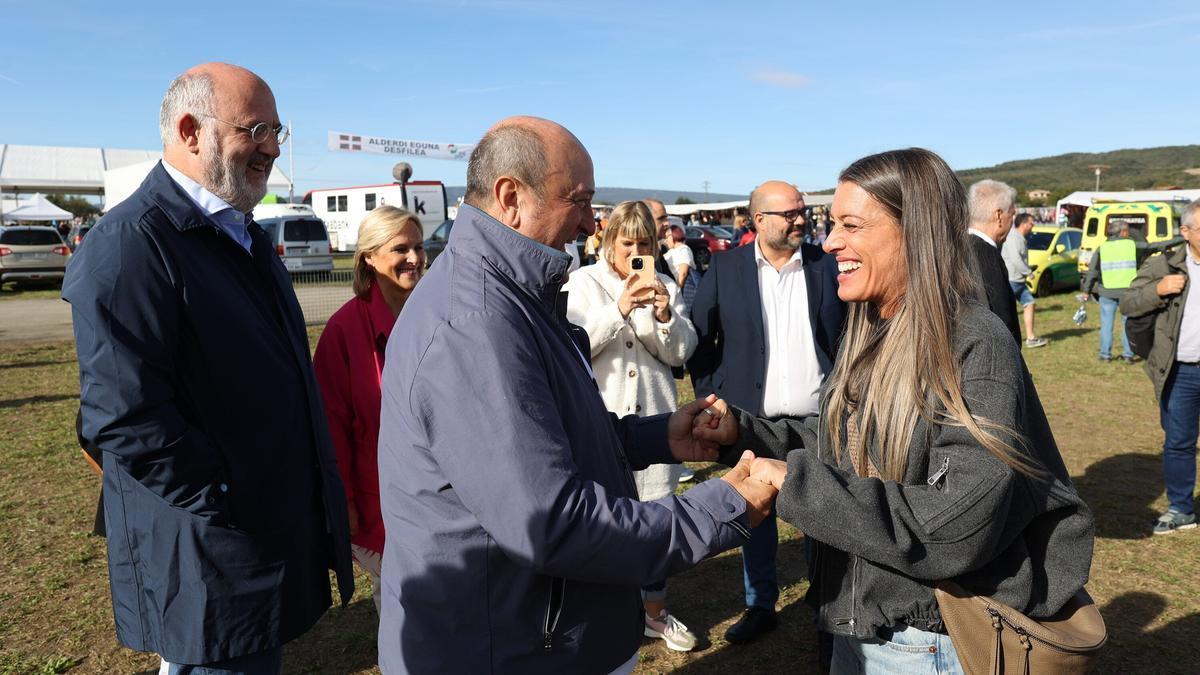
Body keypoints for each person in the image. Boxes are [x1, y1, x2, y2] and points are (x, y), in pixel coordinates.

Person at [375, 116, 777, 674]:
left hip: (543, 636)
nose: (593, 221)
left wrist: (653, 435)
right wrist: (723, 506)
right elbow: (552, 520)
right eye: (581, 200)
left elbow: (551, 435)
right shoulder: (478, 322)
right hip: (509, 649)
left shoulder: (513, 295)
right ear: (511, 196)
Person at [695, 148, 1094, 672]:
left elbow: (956, 524)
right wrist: (740, 434)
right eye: (831, 224)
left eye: (851, 225)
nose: (830, 241)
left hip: (925, 639)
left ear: (917, 230)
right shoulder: (875, 329)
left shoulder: (973, 344)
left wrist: (792, 482)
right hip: (862, 622)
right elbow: (850, 441)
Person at [62, 63, 353, 674]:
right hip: (212, 554)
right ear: (190, 130)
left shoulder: (238, 232)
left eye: (279, 131)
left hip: (253, 540)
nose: (273, 148)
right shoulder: (132, 246)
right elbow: (123, 418)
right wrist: (229, 495)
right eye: (257, 129)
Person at [687, 180, 846, 646]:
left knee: (826, 512)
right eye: (790, 214)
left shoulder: (826, 266)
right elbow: (700, 340)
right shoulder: (725, 267)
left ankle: (829, 607)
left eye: (803, 212)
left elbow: (851, 336)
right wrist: (711, 396)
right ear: (759, 221)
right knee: (753, 517)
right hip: (750, 422)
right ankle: (760, 605)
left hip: (821, 421)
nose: (802, 220)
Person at [564, 200, 700, 652]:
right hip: (603, 419)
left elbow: (680, 353)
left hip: (656, 417)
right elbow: (576, 346)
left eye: (645, 244)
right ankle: (607, 612)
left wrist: (663, 316)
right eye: (628, 244)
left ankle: (655, 613)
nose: (636, 252)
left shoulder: (663, 283)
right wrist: (620, 306)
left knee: (657, 518)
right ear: (608, 242)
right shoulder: (582, 283)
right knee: (605, 518)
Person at [313, 206, 425, 613]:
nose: (414, 258)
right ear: (369, 258)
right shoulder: (343, 330)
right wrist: (345, 501)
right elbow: (331, 426)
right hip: (379, 499)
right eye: (400, 248)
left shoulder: (435, 314)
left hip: (439, 492)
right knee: (403, 606)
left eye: (418, 246)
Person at [1120, 198, 1200, 535]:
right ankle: (1182, 508)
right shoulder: (1164, 265)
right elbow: (1128, 302)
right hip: (1179, 371)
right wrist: (1158, 289)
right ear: (1185, 231)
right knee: (1179, 442)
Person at [966, 179, 1022, 346]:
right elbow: (1003, 321)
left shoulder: (953, 248)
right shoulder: (987, 256)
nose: (1012, 222)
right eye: (1012, 214)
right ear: (999, 216)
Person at [1083, 221, 1137, 363]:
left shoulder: (1102, 248)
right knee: (1127, 323)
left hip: (1106, 292)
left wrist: (1086, 291)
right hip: (1127, 292)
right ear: (1123, 232)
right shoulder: (1132, 245)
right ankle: (1128, 355)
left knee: (1106, 325)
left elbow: (1092, 271)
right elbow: (1151, 248)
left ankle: (1105, 355)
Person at [1002, 212, 1049, 348]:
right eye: (1031, 223)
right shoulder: (1013, 238)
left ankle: (1029, 338)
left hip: (1017, 280)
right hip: (1012, 280)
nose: (1033, 225)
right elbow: (1016, 259)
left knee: (1029, 303)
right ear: (1023, 224)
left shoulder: (1019, 237)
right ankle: (1013, 340)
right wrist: (1029, 272)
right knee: (1009, 311)